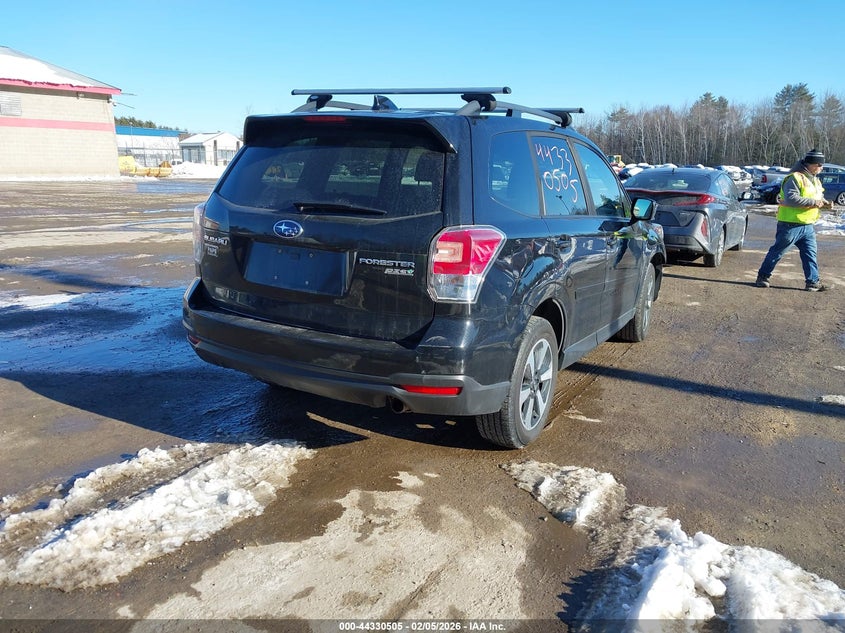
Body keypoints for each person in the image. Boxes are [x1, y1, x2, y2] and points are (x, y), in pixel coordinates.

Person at [755, 149, 834, 291]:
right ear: (810, 164)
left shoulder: (814, 180)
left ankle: (812, 282)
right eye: (819, 165)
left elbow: (817, 197)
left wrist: (825, 203)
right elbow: (792, 199)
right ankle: (763, 277)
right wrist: (814, 203)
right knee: (777, 252)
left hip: (807, 225)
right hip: (790, 225)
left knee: (810, 254)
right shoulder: (794, 178)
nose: (821, 168)